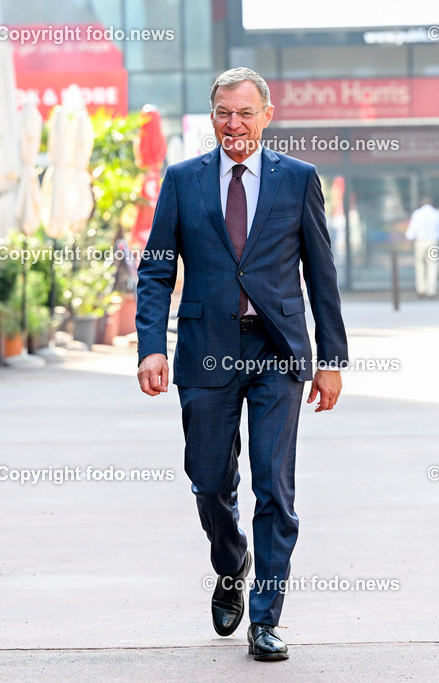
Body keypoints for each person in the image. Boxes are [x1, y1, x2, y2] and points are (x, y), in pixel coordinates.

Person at [135, 67, 348, 662]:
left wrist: (330, 358)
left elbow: (322, 277)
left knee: (274, 490)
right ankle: (231, 567)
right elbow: (155, 269)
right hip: (204, 347)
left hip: (277, 351)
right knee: (208, 481)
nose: (235, 124)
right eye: (225, 113)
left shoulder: (298, 180)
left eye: (245, 113)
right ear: (213, 117)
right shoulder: (182, 181)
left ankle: (267, 620)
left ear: (267, 115)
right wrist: (150, 343)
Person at [405, 196, 439, 299]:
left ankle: (421, 289)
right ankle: (431, 290)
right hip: (434, 242)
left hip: (420, 242)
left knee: (419, 266)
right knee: (433, 266)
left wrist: (408, 241)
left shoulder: (417, 214)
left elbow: (412, 230)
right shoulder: (437, 214)